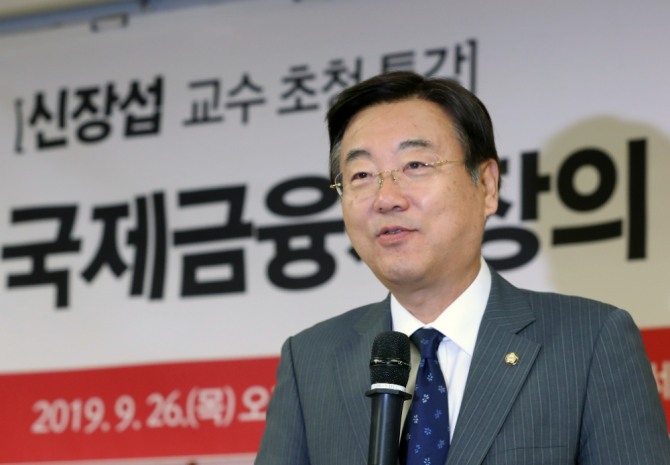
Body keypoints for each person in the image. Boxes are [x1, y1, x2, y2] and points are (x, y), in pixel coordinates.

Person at [254, 71, 670, 465]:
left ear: (487, 185)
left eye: (416, 165)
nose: (386, 198)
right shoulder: (310, 361)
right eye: (361, 174)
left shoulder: (590, 342)